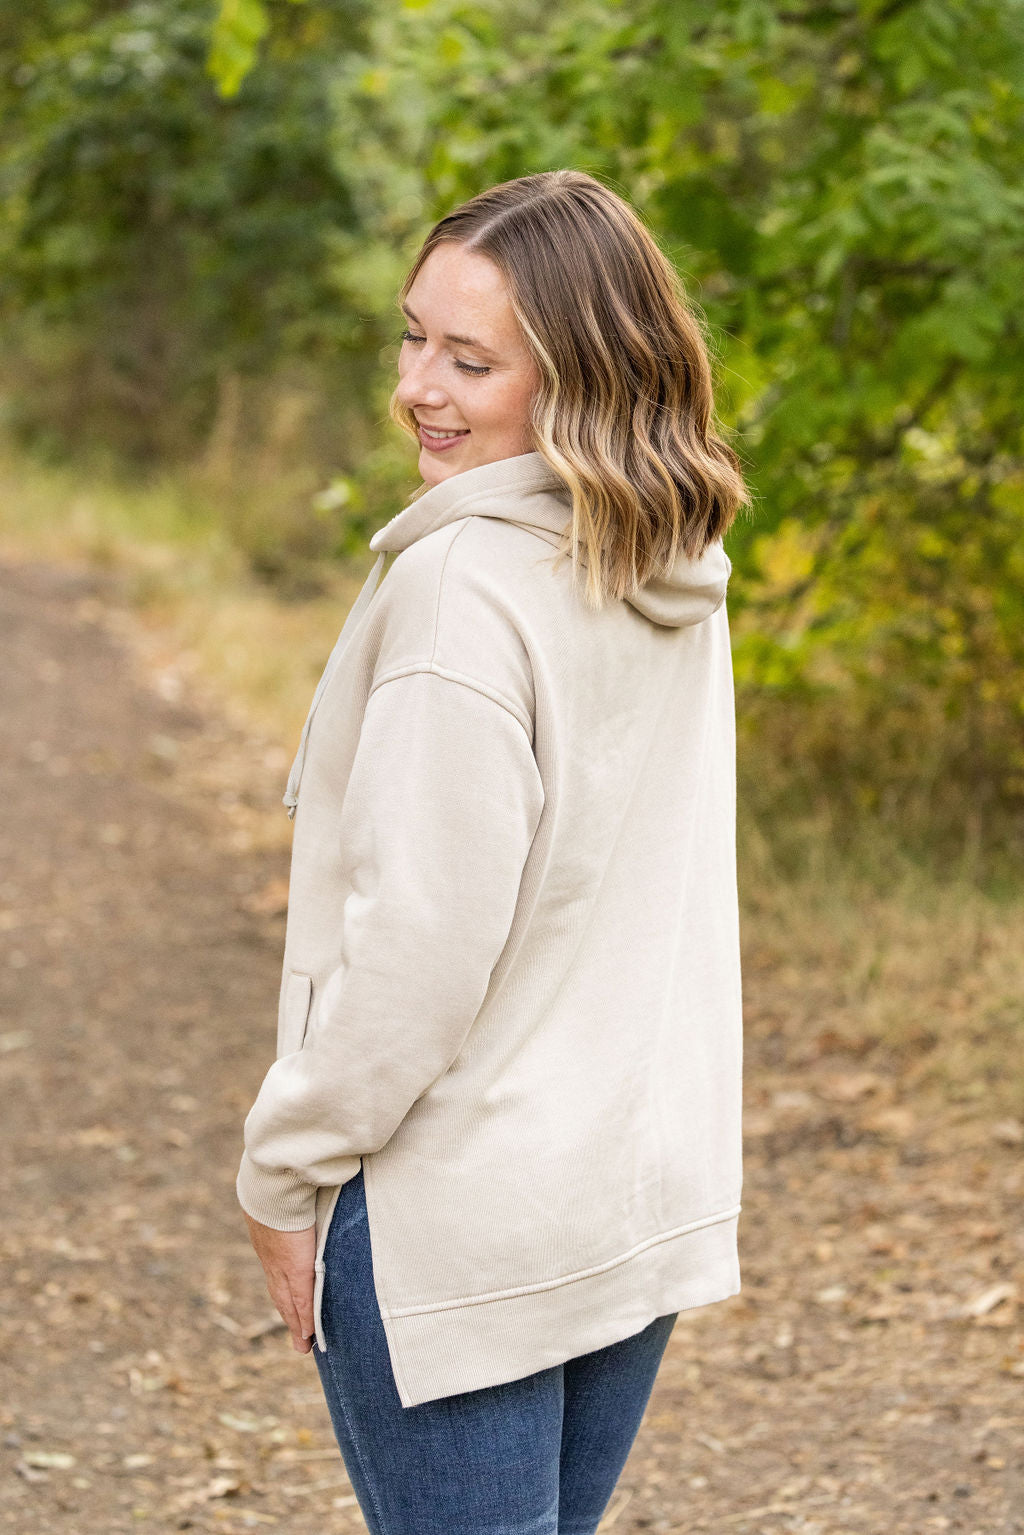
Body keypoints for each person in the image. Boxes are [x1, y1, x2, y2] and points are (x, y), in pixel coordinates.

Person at [236, 168, 750, 1535]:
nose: (420, 387)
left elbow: (417, 954)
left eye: (473, 360)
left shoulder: (464, 592)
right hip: (625, 1193)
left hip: (458, 1222)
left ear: (580, 378)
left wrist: (284, 1169)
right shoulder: (668, 563)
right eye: (414, 336)